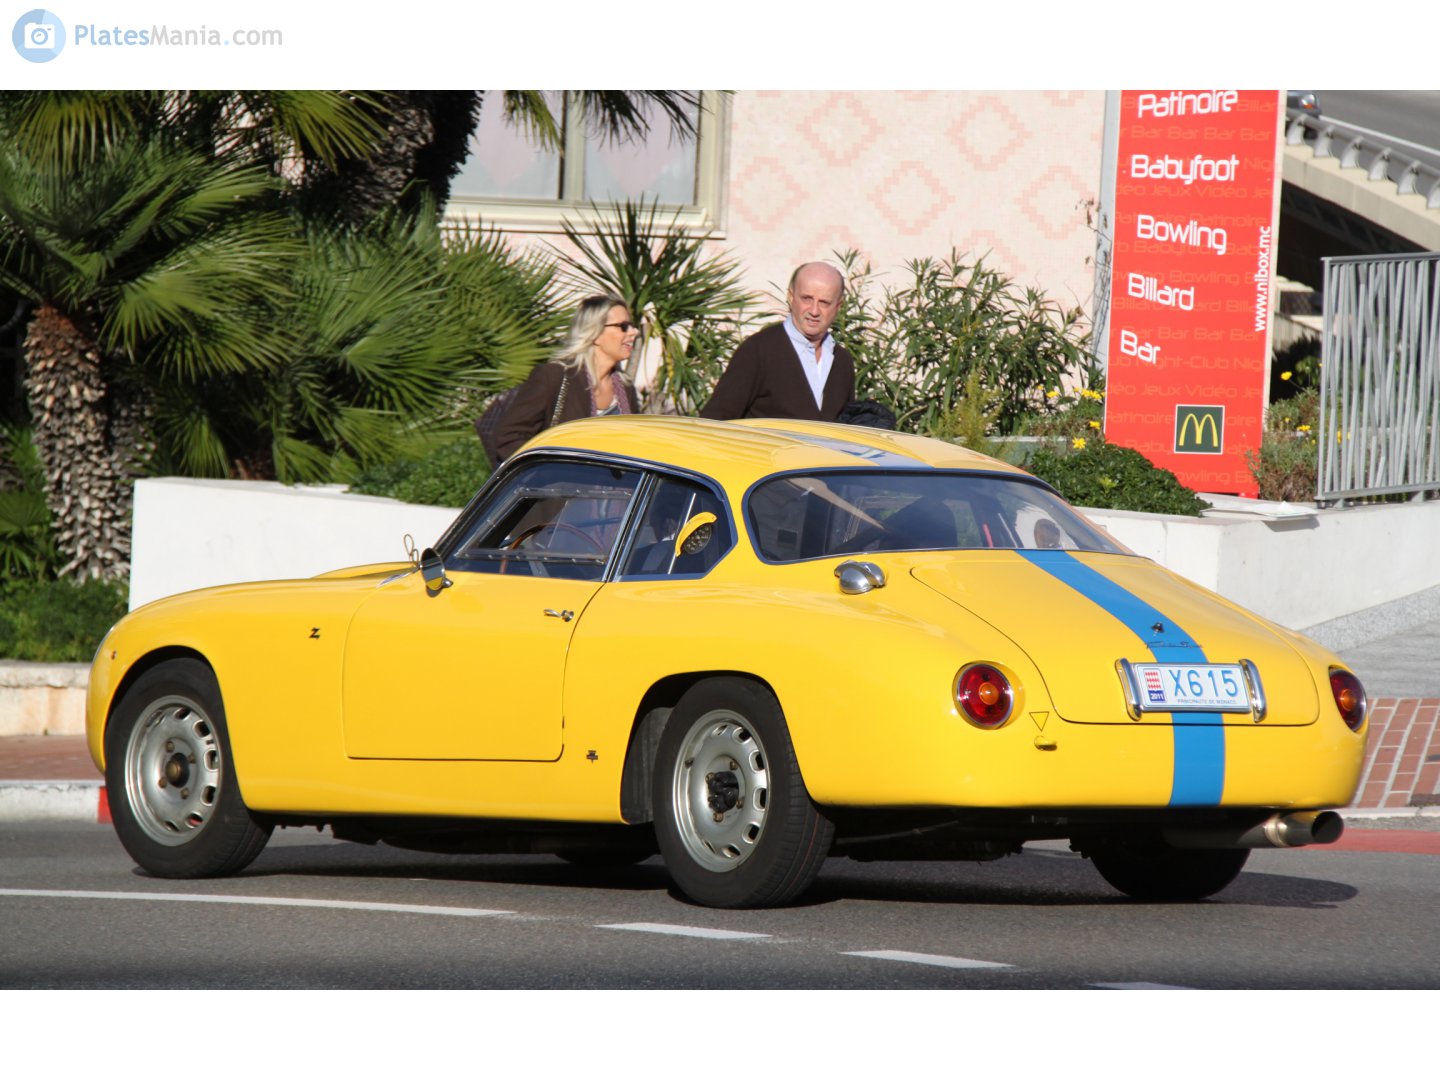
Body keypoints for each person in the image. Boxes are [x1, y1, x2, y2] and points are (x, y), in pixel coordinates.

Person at [492, 294, 641, 463]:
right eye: (623, 326)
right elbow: (509, 438)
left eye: (632, 326)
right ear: (595, 334)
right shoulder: (554, 376)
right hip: (557, 487)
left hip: (615, 489)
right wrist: (549, 472)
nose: (634, 332)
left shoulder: (625, 387)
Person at [700, 262, 855, 422]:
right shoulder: (757, 351)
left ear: (838, 306)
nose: (814, 311)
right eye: (806, 299)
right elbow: (714, 421)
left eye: (824, 302)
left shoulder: (842, 361)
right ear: (791, 297)